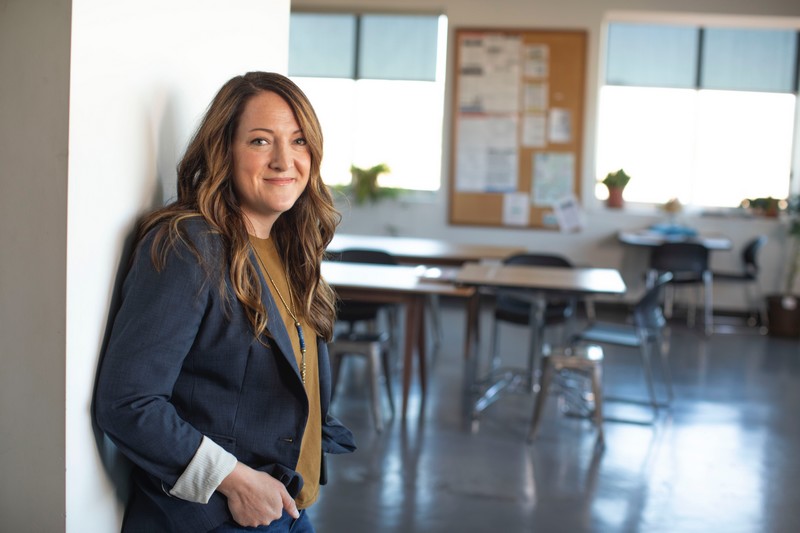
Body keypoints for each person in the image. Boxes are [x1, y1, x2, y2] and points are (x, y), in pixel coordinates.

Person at [95, 71, 356, 532]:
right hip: (219, 516)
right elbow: (128, 401)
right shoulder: (189, 246)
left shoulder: (289, 247)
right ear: (224, 150)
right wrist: (234, 481)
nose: (284, 160)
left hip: (285, 507)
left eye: (298, 141)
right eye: (260, 141)